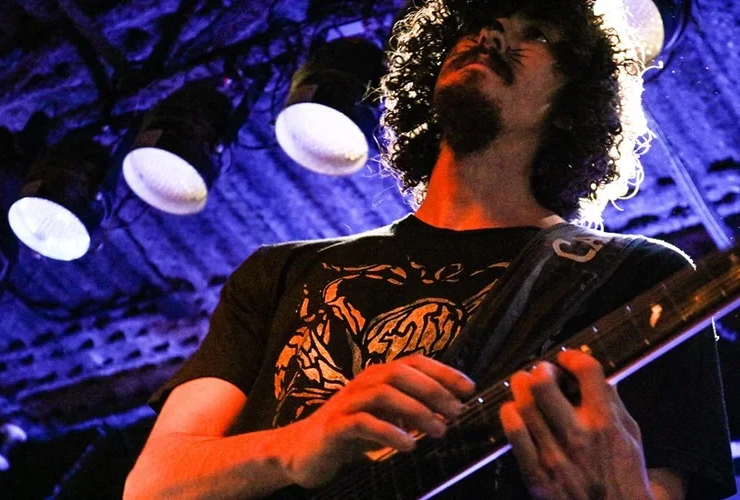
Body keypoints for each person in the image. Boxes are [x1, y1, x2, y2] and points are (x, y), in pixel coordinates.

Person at [124, 0, 736, 498]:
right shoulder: (281, 271)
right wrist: (300, 445)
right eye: (480, 21)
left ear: (575, 108)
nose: (494, 32)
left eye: (538, 32)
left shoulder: (634, 276)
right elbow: (153, 485)